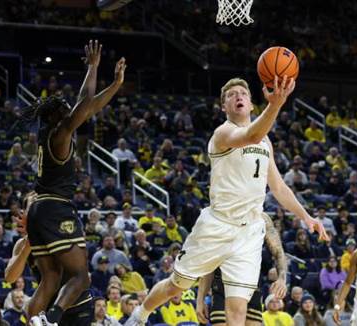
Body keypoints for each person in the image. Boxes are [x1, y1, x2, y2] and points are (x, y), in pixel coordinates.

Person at [125, 77, 328, 326]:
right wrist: (276, 104)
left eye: (243, 93)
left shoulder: (266, 143)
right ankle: (139, 316)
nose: (238, 96)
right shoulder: (223, 133)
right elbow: (251, 135)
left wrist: (306, 217)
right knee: (176, 286)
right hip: (217, 225)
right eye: (231, 95)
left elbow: (278, 187)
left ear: (252, 104)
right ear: (224, 107)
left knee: (237, 309)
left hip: (250, 231)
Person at [22, 40, 125, 326]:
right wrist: (106, 78)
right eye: (66, 108)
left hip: (38, 210)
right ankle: (51, 320)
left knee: (51, 276)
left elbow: (84, 104)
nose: (71, 110)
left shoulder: (49, 134)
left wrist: (102, 76)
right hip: (55, 208)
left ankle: (34, 321)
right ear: (57, 115)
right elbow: (86, 106)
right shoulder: (60, 133)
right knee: (81, 276)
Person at [5, 192, 93, 326]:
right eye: (35, 204)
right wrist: (29, 243)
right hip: (47, 307)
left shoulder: (65, 231)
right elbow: (10, 277)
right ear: (26, 212)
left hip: (78, 304)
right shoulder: (21, 244)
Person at [196, 212, 287, 326]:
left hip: (250, 282)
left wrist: (282, 278)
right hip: (222, 282)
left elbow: (278, 251)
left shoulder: (261, 217)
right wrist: (200, 299)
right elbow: (209, 262)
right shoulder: (217, 216)